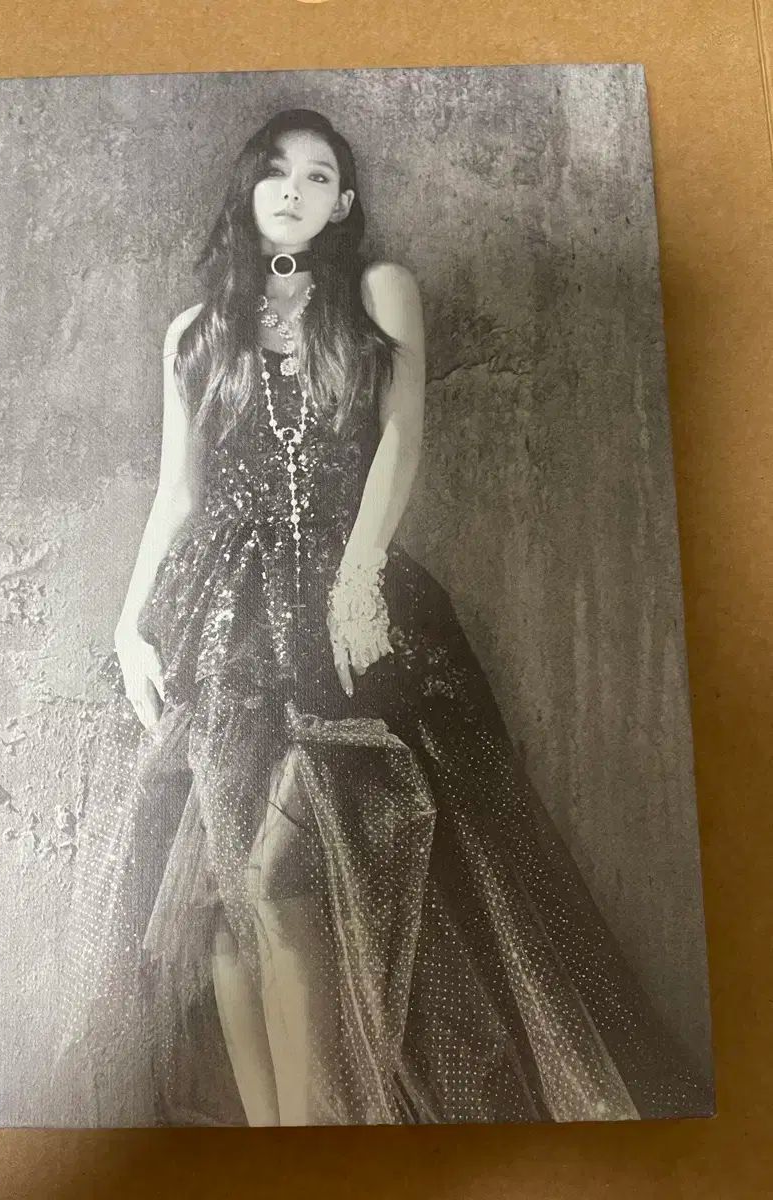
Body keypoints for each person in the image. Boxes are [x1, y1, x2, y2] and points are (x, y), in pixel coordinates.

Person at [56, 108, 711, 1127]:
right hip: (224, 625)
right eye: (276, 170)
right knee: (218, 906)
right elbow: (176, 494)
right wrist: (126, 624)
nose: (294, 188)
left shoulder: (378, 291)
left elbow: (403, 438)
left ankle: (316, 1131)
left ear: (344, 203)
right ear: (247, 188)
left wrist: (358, 576)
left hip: (342, 610)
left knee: (279, 882)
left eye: (319, 176)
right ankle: (276, 1138)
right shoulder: (194, 332)